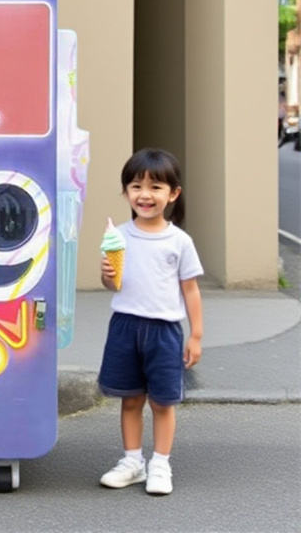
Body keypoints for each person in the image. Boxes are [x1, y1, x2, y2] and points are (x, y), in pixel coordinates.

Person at [97, 148, 203, 496]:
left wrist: (196, 335)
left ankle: (160, 463)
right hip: (125, 326)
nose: (145, 194)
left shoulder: (180, 241)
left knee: (162, 402)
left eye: (156, 187)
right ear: (126, 191)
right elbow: (113, 285)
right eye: (136, 186)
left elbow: (190, 289)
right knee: (130, 399)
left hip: (164, 331)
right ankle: (132, 462)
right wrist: (107, 275)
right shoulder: (119, 236)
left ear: (173, 194)